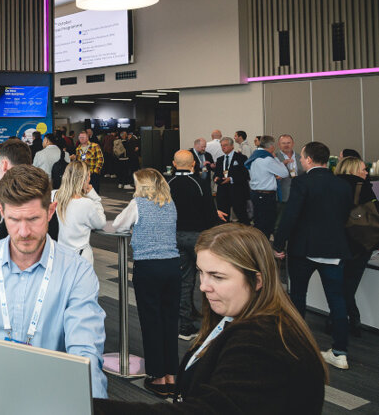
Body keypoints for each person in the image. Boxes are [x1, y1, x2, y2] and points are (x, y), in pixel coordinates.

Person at [93, 224, 326, 414]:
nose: (203, 286)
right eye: (201, 272)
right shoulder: (241, 317)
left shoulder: (262, 342)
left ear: (257, 281)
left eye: (217, 276)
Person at [0, 164, 108, 399]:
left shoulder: (77, 272)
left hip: (46, 395)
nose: (24, 232)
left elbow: (85, 352)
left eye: (34, 219)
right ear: (1, 211)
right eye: (14, 219)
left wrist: (93, 404)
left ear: (51, 211)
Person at [273, 141, 354, 370]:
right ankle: (340, 352)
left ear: (309, 159)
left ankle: (297, 345)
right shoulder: (342, 185)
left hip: (304, 249)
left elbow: (290, 216)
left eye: (302, 157)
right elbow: (345, 215)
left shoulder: (302, 182)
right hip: (335, 249)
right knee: (337, 300)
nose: (300, 160)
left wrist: (278, 244)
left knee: (298, 297)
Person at [112, 168, 181, 398]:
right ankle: (172, 374)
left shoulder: (138, 204)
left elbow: (119, 225)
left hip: (148, 267)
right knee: (170, 321)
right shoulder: (170, 203)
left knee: (151, 321)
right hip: (172, 265)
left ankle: (157, 376)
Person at [168, 150, 225, 340]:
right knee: (211, 280)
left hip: (175, 237)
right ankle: (212, 324)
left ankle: (184, 326)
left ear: (174, 164)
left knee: (184, 281)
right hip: (198, 238)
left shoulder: (167, 183)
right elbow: (209, 213)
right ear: (193, 164)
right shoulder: (199, 183)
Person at [335, 156, 377, 338]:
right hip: (360, 244)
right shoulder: (363, 187)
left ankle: (341, 319)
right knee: (349, 284)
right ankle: (351, 320)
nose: (366, 172)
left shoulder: (332, 185)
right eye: (363, 169)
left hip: (336, 242)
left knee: (339, 284)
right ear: (352, 169)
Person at [56, 161, 106, 264]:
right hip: (81, 256)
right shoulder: (86, 203)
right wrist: (95, 198)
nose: (90, 179)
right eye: (89, 176)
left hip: (61, 256)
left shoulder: (55, 197)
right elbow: (101, 223)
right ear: (83, 179)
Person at [243, 135, 289, 239]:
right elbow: (284, 173)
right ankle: (264, 244)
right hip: (265, 195)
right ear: (271, 146)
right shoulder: (267, 159)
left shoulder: (254, 156)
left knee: (259, 222)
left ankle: (259, 243)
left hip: (256, 193)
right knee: (266, 224)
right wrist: (276, 158)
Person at [214, 137, 250, 225]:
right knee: (223, 217)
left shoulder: (241, 158)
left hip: (237, 191)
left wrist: (231, 179)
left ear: (232, 146)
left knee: (242, 216)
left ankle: (246, 232)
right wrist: (216, 178)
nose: (223, 147)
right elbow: (216, 174)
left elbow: (245, 175)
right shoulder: (220, 160)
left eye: (225, 145)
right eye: (222, 146)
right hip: (223, 192)